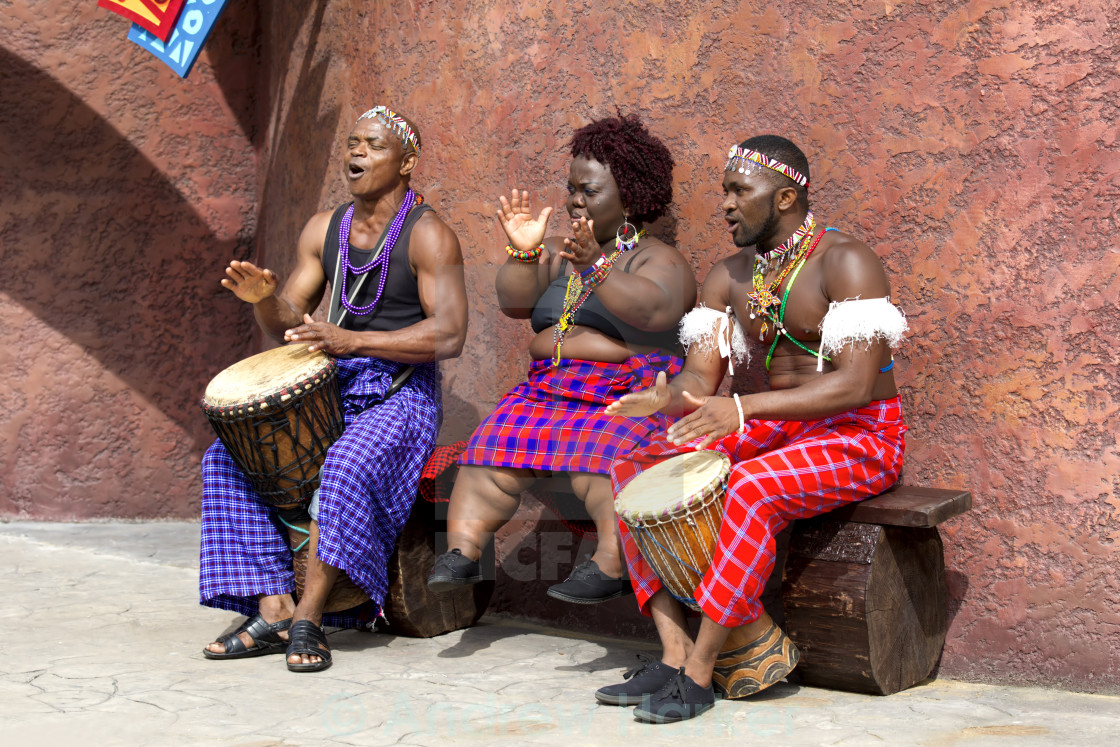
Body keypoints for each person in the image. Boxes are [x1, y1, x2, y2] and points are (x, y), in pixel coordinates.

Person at [598, 135, 908, 722]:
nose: (728, 204)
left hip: (860, 437)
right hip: (779, 431)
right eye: (726, 192)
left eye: (741, 191)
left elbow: (856, 384)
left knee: (751, 487)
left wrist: (741, 412)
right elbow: (701, 377)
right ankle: (672, 651)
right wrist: (665, 399)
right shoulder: (730, 274)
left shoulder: (847, 262)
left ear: (786, 196)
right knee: (633, 465)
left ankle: (701, 672)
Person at [200, 106, 467, 672]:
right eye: (353, 143)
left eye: (373, 145)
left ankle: (310, 617)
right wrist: (264, 302)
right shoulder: (325, 229)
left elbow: (450, 332)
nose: (357, 154)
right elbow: (290, 318)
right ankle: (273, 605)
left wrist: (353, 341)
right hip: (334, 383)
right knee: (225, 459)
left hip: (402, 393)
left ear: (407, 162)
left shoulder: (429, 234)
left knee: (343, 465)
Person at [426, 114, 696, 604]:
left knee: (603, 457)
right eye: (571, 188)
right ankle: (462, 553)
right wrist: (524, 253)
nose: (574, 200)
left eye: (588, 191)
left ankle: (611, 564)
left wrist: (594, 264)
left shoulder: (657, 258)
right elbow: (515, 302)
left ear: (630, 198)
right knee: (491, 447)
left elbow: (656, 310)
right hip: (546, 388)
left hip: (620, 394)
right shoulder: (559, 250)